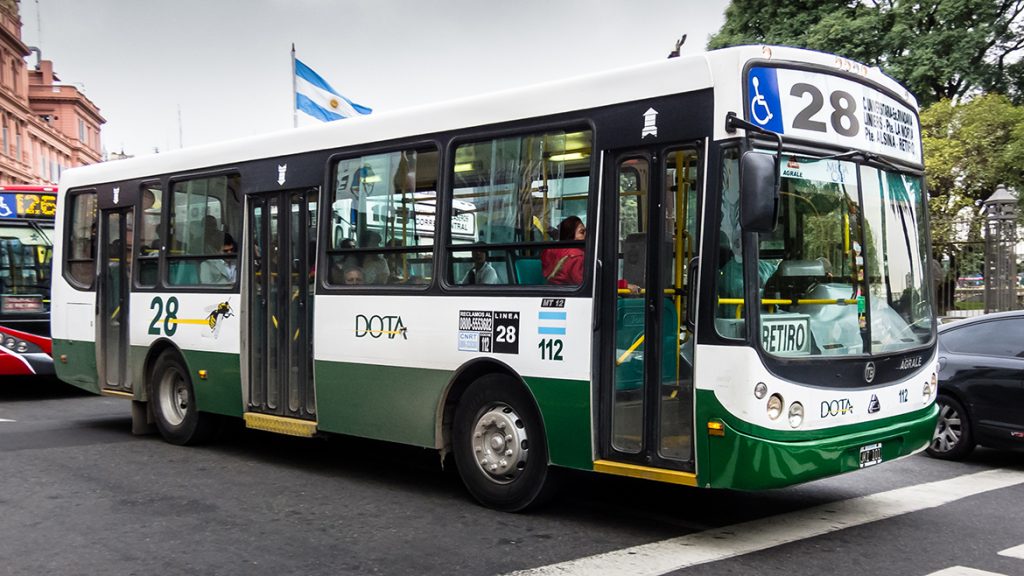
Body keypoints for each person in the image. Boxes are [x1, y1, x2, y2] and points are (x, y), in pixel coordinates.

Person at [541, 216, 585, 285]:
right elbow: (584, 283)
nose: (587, 235)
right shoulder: (576, 256)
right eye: (582, 232)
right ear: (570, 236)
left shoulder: (551, 250)